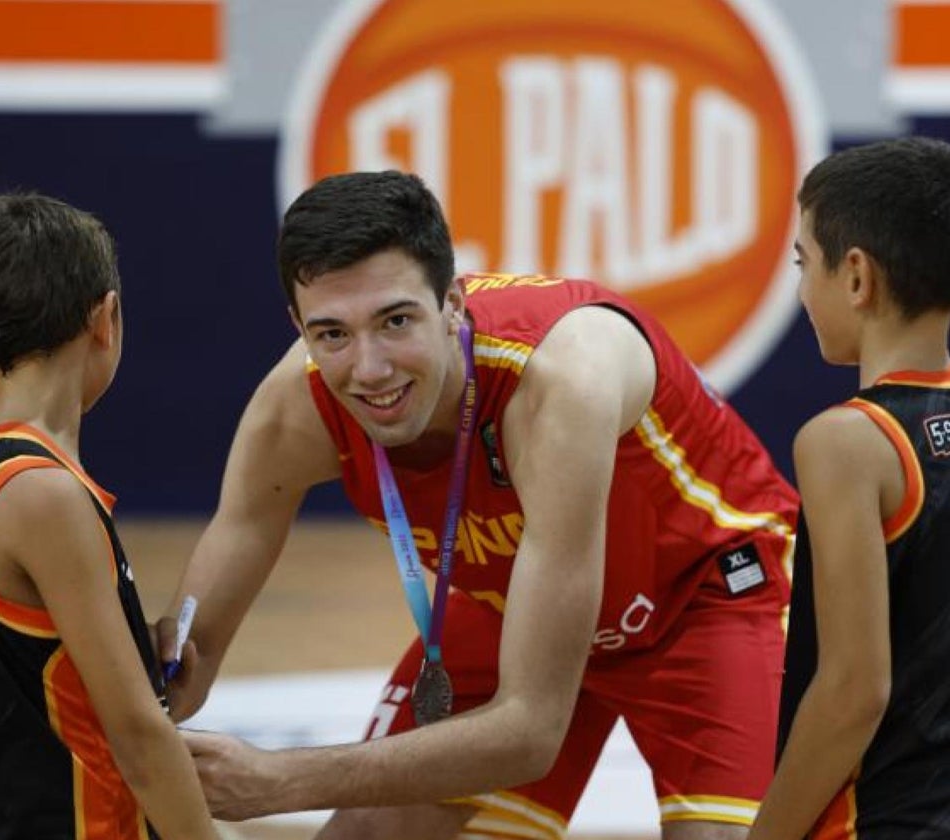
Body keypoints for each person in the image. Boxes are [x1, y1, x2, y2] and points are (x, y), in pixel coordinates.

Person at [164, 171, 798, 840]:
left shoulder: (559, 380)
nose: (370, 369)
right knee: (372, 830)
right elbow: (208, 604)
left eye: (396, 321)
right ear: (299, 327)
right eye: (332, 335)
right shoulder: (298, 407)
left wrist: (281, 782)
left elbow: (529, 730)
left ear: (453, 305)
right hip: (511, 603)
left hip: (706, 595)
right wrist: (148, 701)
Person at [749, 137, 950, 840]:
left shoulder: (845, 442)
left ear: (858, 277)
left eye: (806, 264)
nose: (803, 289)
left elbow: (852, 694)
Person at [0, 192, 217, 840]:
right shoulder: (44, 493)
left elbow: (24, 665)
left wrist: (134, 649)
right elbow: (140, 737)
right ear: (106, 320)